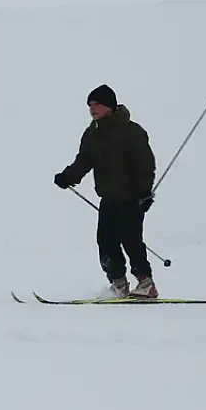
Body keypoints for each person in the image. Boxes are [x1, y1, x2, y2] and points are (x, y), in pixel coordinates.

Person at [54, 84, 158, 298]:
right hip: (108, 198)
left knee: (131, 240)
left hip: (131, 196)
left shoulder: (131, 131)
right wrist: (68, 177)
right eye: (90, 105)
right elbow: (84, 160)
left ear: (110, 106)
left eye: (97, 104)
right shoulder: (93, 133)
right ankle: (119, 283)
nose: (93, 109)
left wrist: (144, 193)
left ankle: (146, 283)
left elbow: (145, 164)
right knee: (106, 241)